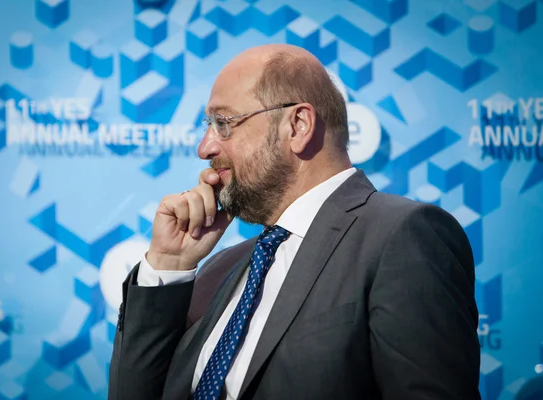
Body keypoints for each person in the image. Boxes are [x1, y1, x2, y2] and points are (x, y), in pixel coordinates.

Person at [108, 44, 481, 400]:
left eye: (223, 123)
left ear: (298, 125)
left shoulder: (401, 236)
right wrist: (170, 266)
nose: (204, 147)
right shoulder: (220, 267)